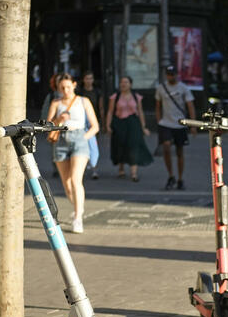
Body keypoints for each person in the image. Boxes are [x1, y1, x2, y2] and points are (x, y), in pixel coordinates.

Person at [47, 73, 99, 233]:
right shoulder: (56, 103)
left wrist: (83, 138)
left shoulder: (84, 101)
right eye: (62, 87)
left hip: (79, 139)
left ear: (74, 85)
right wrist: (59, 120)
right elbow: (48, 126)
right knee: (67, 184)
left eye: (68, 87)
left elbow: (95, 126)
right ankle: (79, 207)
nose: (65, 90)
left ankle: (77, 217)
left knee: (76, 180)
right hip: (61, 139)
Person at [155, 64, 196, 190]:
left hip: (180, 124)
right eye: (168, 74)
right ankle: (171, 175)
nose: (170, 76)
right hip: (166, 123)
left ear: (176, 75)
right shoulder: (161, 88)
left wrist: (193, 124)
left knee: (179, 151)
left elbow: (190, 105)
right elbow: (158, 105)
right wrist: (159, 120)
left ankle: (180, 178)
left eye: (172, 74)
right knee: (166, 146)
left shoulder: (183, 88)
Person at [105, 75, 152, 181]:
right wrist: (108, 125)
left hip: (133, 123)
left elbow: (140, 111)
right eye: (122, 82)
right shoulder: (115, 97)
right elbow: (110, 111)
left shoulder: (136, 96)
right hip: (119, 123)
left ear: (130, 84)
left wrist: (143, 126)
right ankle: (121, 168)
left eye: (126, 82)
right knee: (120, 144)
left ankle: (133, 173)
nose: (123, 84)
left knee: (134, 145)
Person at [78, 71, 102, 180]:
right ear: (83, 80)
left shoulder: (97, 92)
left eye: (90, 78)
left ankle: (94, 169)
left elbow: (100, 107)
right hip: (81, 121)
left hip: (93, 122)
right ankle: (83, 167)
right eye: (87, 78)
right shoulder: (79, 92)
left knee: (93, 146)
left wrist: (102, 122)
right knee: (82, 145)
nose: (89, 81)